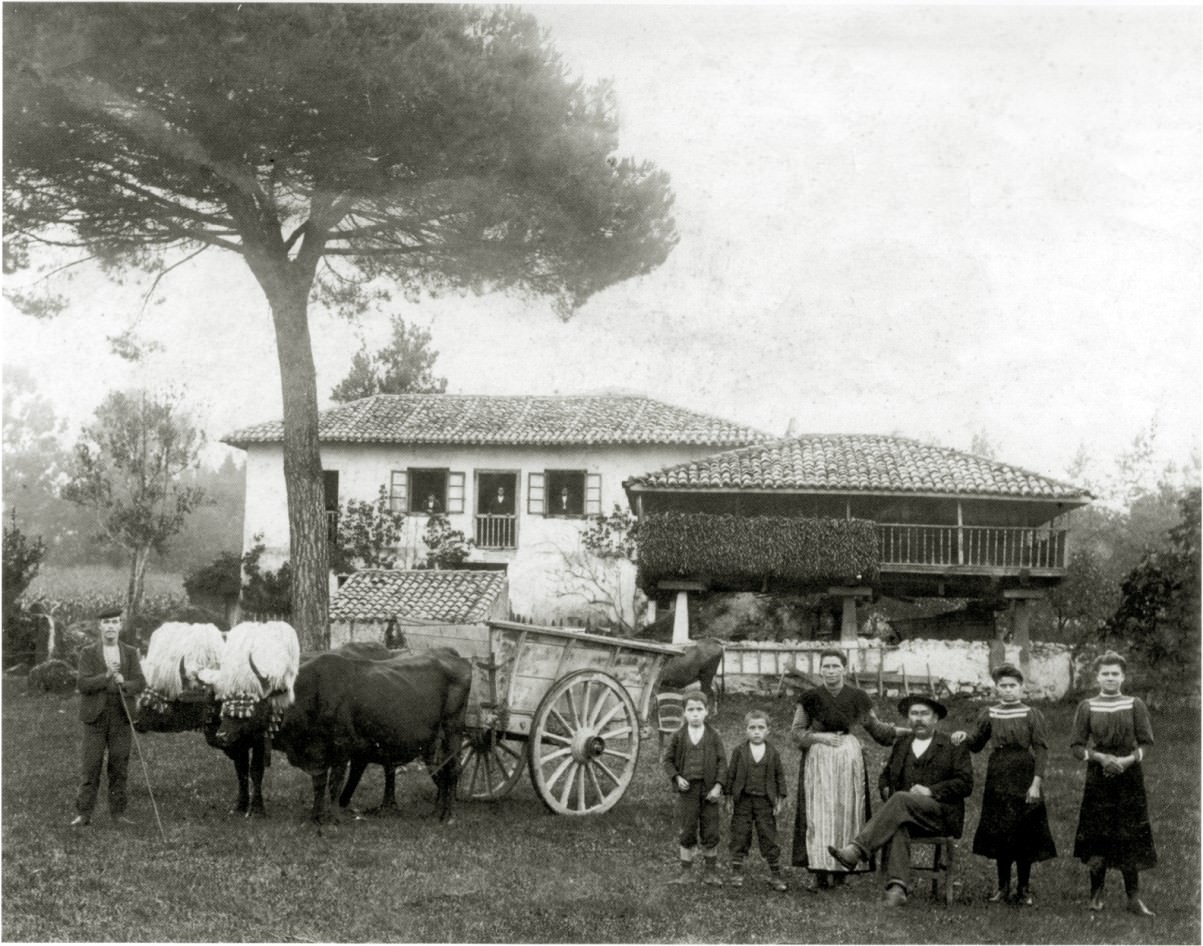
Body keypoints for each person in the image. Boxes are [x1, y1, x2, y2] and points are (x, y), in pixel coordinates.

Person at [827, 694, 973, 908]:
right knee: (897, 822)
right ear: (908, 719)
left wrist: (931, 791)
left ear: (935, 719)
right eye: (914, 714)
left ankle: (856, 850)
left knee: (901, 801)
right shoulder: (903, 743)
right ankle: (897, 889)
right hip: (906, 813)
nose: (919, 719)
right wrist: (885, 789)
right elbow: (886, 776)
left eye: (924, 714)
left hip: (940, 815)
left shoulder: (952, 744)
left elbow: (965, 783)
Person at [790, 649, 904, 890]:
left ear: (844, 668)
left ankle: (842, 870)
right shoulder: (810, 697)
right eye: (826, 666)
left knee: (847, 809)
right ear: (820, 670)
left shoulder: (857, 697)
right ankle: (819, 871)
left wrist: (908, 732)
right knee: (819, 813)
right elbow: (797, 732)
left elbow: (876, 728)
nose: (830, 671)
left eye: (835, 666)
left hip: (848, 757)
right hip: (819, 759)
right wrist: (819, 737)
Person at [950, 663, 1057, 905]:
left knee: (1025, 831)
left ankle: (1024, 888)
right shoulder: (990, 713)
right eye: (1003, 686)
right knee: (1001, 830)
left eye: (1012, 686)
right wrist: (963, 737)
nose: (1008, 690)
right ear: (997, 687)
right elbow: (977, 743)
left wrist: (1036, 783)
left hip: (1024, 771)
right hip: (998, 773)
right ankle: (1002, 887)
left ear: (1021, 687)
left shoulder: (1032, 714)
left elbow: (1041, 749)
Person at [1070, 651, 1156, 916]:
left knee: (1130, 832)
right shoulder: (1087, 706)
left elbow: (1146, 743)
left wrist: (1128, 760)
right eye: (1105, 673)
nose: (1110, 678)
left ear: (1123, 676)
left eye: (1115, 674)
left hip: (1128, 778)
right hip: (1099, 778)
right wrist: (1100, 758)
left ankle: (1134, 898)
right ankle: (1096, 895)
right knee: (1098, 833)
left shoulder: (1135, 704)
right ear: (1097, 677)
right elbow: (1076, 746)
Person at [71, 606, 145, 827]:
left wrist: (125, 682)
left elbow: (140, 682)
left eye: (115, 622)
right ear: (100, 626)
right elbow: (82, 683)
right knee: (91, 765)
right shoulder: (88, 652)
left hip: (121, 715)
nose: (111, 626)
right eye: (107, 623)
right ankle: (84, 814)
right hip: (95, 716)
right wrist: (106, 676)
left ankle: (118, 814)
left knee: (119, 765)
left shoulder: (130, 652)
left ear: (120, 626)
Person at [662, 691, 728, 885]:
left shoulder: (714, 736)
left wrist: (718, 786)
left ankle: (710, 872)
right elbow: (667, 760)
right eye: (690, 709)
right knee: (687, 829)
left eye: (699, 709)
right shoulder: (679, 736)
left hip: (709, 792)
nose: (695, 714)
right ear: (684, 713)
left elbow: (722, 763)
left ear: (707, 711)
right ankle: (686, 872)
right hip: (687, 791)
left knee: (710, 829)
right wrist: (677, 777)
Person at [724, 709, 789, 891]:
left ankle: (775, 874)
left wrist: (779, 798)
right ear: (746, 730)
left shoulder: (773, 753)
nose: (757, 731)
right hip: (743, 800)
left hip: (764, 802)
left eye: (761, 727)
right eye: (752, 728)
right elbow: (731, 775)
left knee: (768, 835)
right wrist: (728, 797)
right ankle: (736, 871)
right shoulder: (739, 752)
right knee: (740, 834)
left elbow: (780, 777)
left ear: (768, 730)